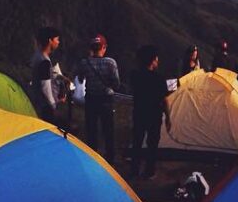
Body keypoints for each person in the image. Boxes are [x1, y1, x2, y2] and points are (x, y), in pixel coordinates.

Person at [72, 35, 121, 163]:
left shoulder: (84, 63)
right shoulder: (111, 62)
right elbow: (116, 84)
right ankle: (110, 159)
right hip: (106, 100)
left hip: (91, 100)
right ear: (104, 47)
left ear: (91, 48)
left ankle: (92, 158)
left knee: (91, 130)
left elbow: (81, 79)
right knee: (108, 130)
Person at [130, 45, 171, 180]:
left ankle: (134, 170)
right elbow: (165, 100)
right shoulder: (159, 78)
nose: (158, 61)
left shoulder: (135, 76)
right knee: (152, 145)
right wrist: (169, 118)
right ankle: (149, 171)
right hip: (154, 115)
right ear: (152, 60)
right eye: (156, 59)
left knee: (137, 142)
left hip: (139, 113)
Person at [29, 26, 61, 123]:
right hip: (45, 107)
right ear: (50, 40)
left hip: (37, 102)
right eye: (57, 39)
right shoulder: (44, 61)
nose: (58, 42)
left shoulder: (37, 55)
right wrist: (52, 105)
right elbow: (45, 87)